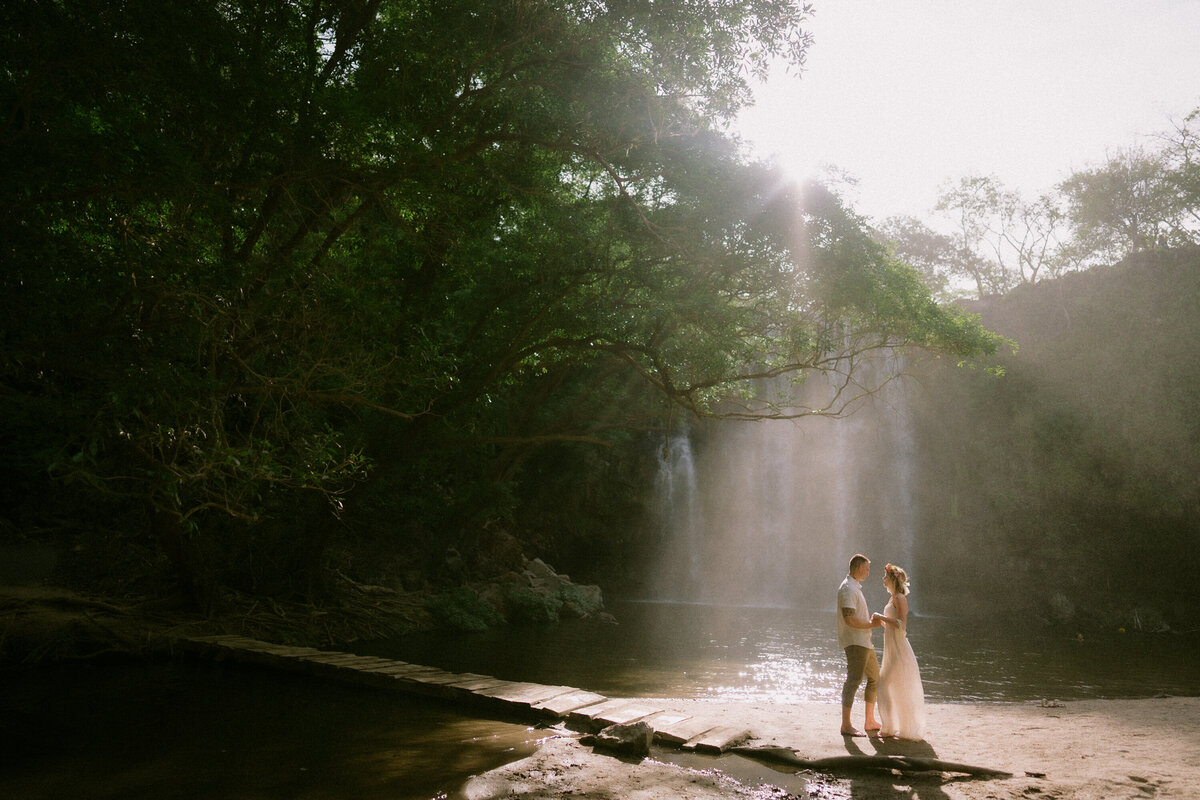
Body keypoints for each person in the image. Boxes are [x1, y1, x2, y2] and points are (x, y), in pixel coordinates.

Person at [872, 563, 926, 740]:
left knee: (884, 684)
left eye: (885, 576)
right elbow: (891, 624)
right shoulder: (892, 598)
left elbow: (902, 624)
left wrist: (881, 617)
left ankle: (889, 728)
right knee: (893, 685)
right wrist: (879, 622)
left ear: (893, 579)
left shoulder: (900, 598)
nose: (883, 579)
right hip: (891, 646)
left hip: (898, 647)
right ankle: (891, 726)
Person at [837, 553, 883, 737]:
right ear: (859, 568)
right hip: (856, 642)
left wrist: (870, 624)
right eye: (867, 569)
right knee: (854, 681)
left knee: (875, 678)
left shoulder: (854, 587)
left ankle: (869, 721)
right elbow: (849, 619)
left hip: (864, 642)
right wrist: (871, 624)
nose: (868, 572)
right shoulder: (847, 588)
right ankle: (846, 725)